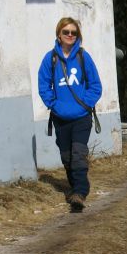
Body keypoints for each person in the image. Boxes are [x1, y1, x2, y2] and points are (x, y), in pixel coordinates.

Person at [38, 17, 102, 210]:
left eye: (74, 33)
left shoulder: (84, 57)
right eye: (66, 32)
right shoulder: (51, 58)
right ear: (59, 34)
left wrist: (85, 105)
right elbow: (43, 85)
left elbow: (95, 86)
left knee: (78, 154)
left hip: (81, 117)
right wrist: (53, 105)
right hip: (60, 118)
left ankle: (80, 192)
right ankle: (75, 188)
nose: (70, 35)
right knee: (67, 157)